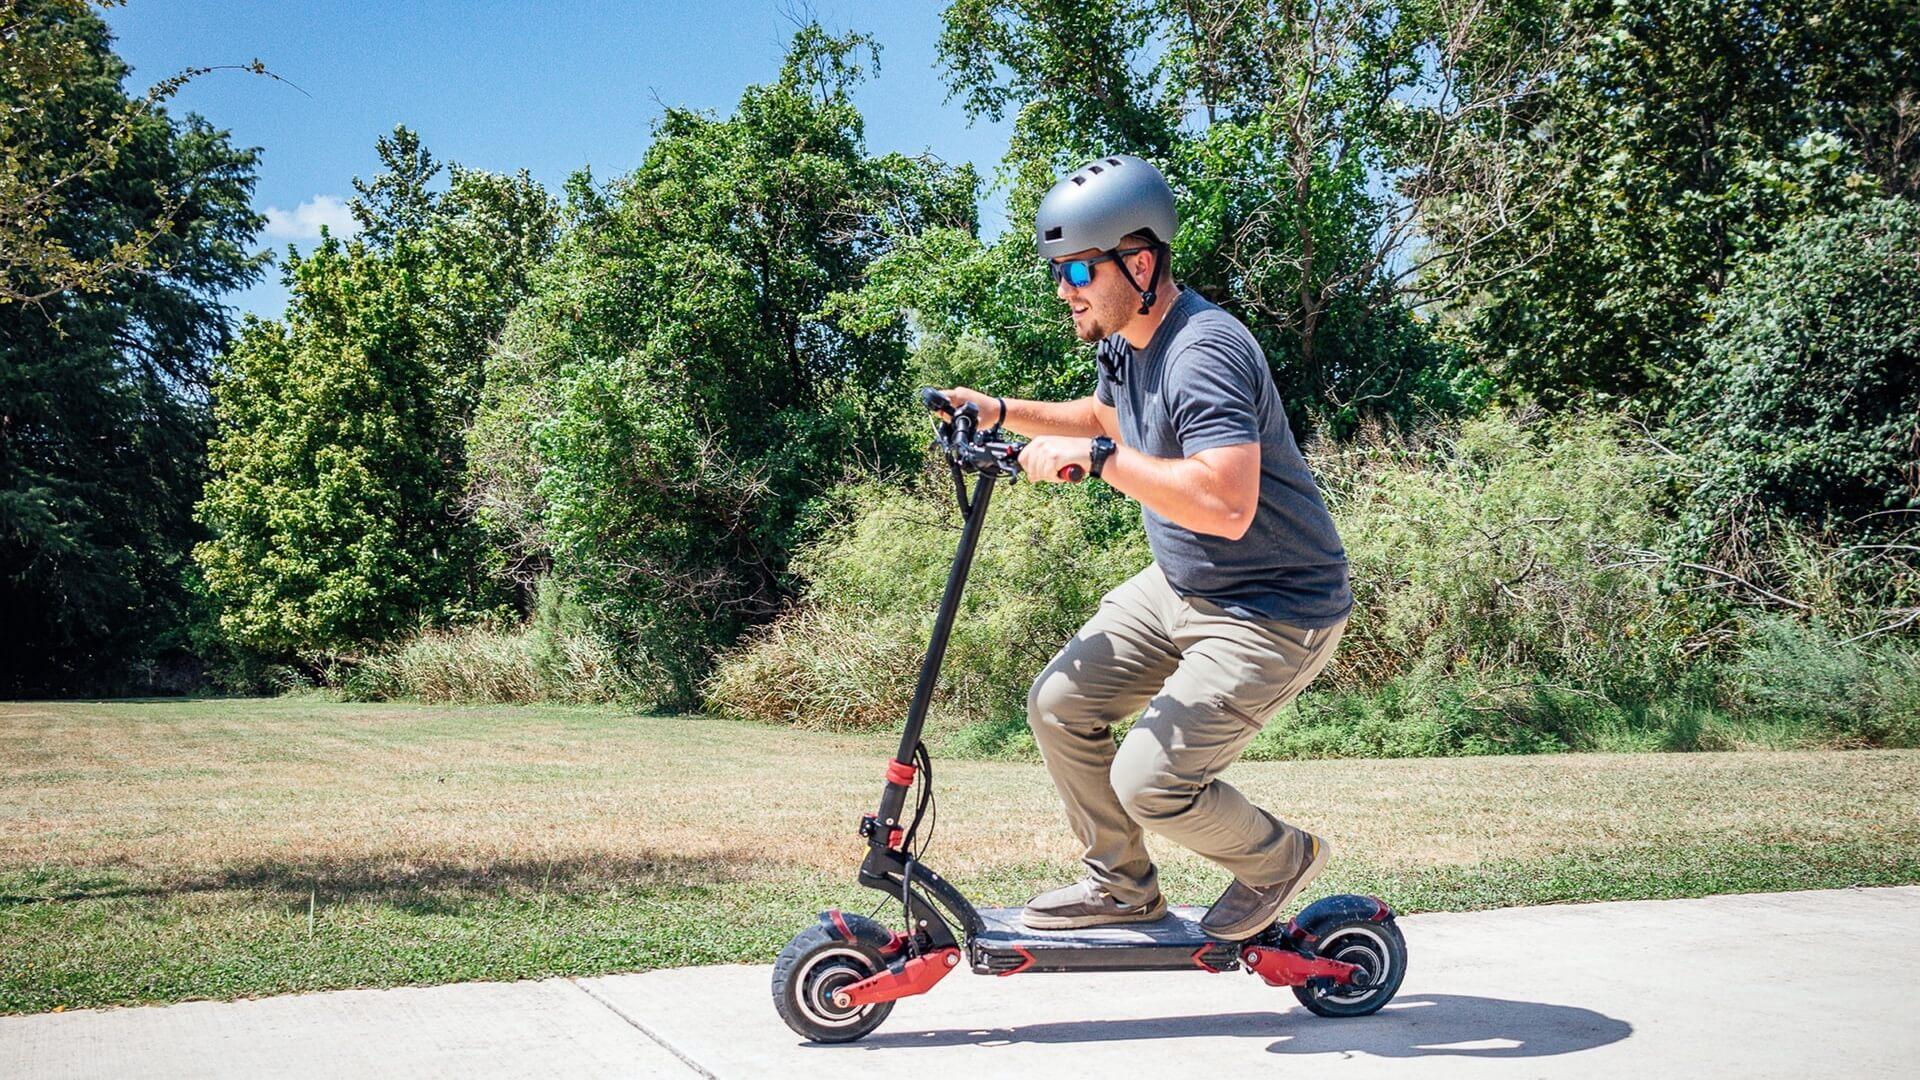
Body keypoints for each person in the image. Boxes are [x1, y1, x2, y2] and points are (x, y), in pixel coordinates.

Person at [935, 154, 1352, 942]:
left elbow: (1228, 504)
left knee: (1151, 782)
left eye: (1079, 268)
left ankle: (1277, 858)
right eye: (1059, 270)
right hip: (1183, 585)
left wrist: (1101, 468)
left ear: (1140, 260)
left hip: (1272, 609)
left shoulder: (1206, 352)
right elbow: (1104, 420)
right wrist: (997, 411)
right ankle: (1121, 888)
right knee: (1060, 704)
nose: (1065, 288)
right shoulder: (1127, 340)